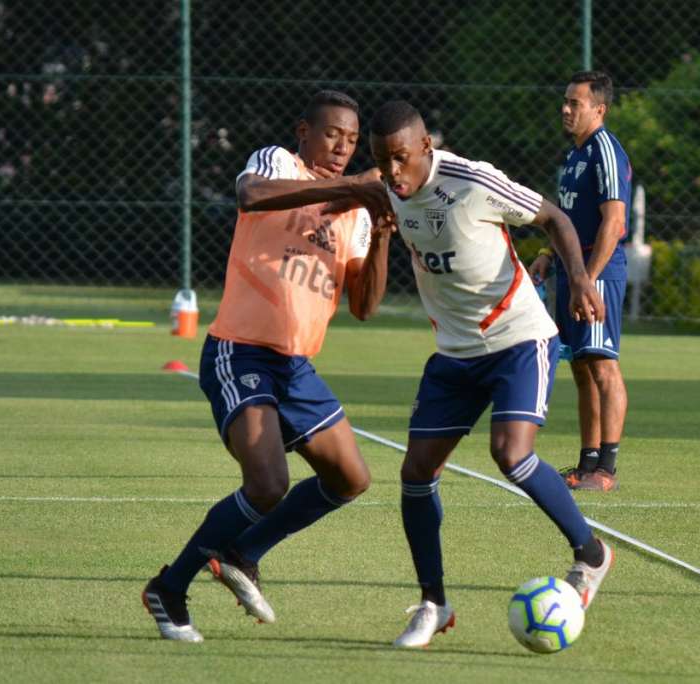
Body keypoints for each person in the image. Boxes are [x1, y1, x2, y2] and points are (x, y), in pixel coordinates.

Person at [142, 90, 395, 642]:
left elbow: (364, 305)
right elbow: (251, 194)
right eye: (332, 134)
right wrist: (351, 187)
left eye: (352, 140)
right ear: (304, 131)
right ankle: (170, 588)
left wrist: (379, 235)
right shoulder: (277, 163)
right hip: (241, 350)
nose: (342, 147)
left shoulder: (356, 212)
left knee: (351, 478)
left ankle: (243, 552)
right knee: (267, 484)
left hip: (296, 366)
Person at [366, 100, 614, 649]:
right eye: (381, 160)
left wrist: (579, 280)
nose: (392, 171)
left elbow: (555, 218)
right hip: (454, 353)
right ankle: (433, 604)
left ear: (426, 146)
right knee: (416, 473)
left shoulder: (472, 181)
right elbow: (344, 191)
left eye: (401, 158)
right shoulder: (383, 187)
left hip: (518, 339)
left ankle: (591, 554)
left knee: (511, 453)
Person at [528, 70, 631, 493]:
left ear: (599, 109)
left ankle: (607, 468)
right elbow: (566, 218)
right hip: (574, 273)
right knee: (583, 367)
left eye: (576, 103)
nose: (566, 109)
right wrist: (548, 253)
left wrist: (587, 279)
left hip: (596, 272)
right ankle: (587, 463)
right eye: (565, 101)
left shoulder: (605, 150)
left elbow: (614, 222)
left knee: (604, 365)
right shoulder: (574, 156)